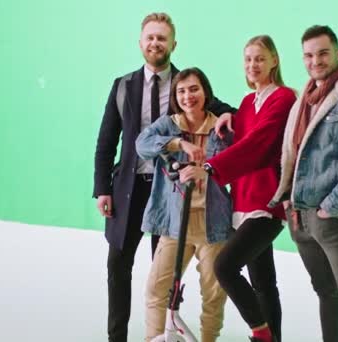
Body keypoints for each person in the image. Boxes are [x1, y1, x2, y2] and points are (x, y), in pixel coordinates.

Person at [93, 12, 234, 342]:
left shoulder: (186, 84)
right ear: (141, 42)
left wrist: (229, 114)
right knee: (118, 265)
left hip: (172, 192)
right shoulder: (123, 86)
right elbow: (107, 139)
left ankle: (167, 334)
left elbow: (220, 113)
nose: (155, 43)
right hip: (129, 189)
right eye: (150, 37)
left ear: (173, 44)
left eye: (162, 38)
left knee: (168, 274)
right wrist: (103, 188)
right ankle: (118, 336)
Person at [269, 25, 338, 342]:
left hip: (332, 219)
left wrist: (331, 207)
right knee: (326, 293)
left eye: (322, 53)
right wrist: (290, 199)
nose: (315, 61)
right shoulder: (304, 100)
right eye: (308, 55)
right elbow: (294, 152)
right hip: (300, 217)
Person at [204, 35, 297, 342]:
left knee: (225, 267)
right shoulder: (246, 103)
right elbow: (241, 137)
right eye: (248, 59)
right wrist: (230, 116)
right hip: (241, 202)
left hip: (267, 202)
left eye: (259, 58)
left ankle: (261, 333)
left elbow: (259, 145)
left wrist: (212, 166)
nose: (253, 65)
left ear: (275, 60)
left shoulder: (284, 98)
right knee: (263, 283)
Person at [136, 67, 232, 342]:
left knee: (213, 293)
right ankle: (155, 339)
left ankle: (208, 339)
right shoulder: (168, 124)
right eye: (181, 91)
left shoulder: (221, 127)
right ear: (175, 96)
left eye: (194, 89)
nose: (188, 96)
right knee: (157, 288)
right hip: (175, 222)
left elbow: (238, 160)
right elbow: (142, 144)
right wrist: (179, 144)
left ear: (205, 92)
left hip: (213, 223)